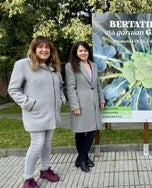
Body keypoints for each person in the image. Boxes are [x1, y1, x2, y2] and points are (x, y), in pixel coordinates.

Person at [8, 36, 66, 188]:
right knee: (37, 144)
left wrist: (61, 99)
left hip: (51, 113)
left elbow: (60, 87)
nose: (44, 50)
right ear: (34, 49)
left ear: (51, 50)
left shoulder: (54, 67)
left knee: (47, 143)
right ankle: (28, 178)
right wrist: (29, 104)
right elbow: (13, 89)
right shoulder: (22, 65)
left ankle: (45, 170)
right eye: (40, 47)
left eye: (47, 47)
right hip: (35, 114)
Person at [65, 41, 105, 172]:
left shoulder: (93, 65)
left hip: (93, 102)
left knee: (93, 130)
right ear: (76, 53)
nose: (83, 53)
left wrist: (101, 99)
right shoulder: (70, 66)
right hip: (81, 104)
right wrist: (74, 106)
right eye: (80, 51)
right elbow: (70, 88)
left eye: (85, 50)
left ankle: (81, 157)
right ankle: (83, 159)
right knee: (81, 131)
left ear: (88, 52)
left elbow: (97, 84)